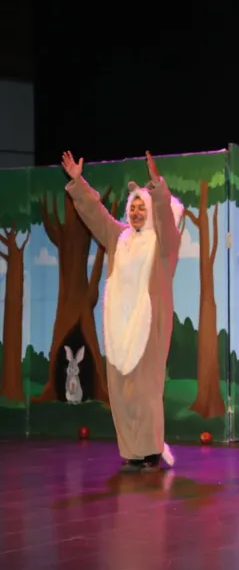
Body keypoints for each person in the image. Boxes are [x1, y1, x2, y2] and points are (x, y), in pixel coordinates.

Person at [63, 149, 183, 473]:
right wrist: (78, 182)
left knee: (145, 391)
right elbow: (95, 214)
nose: (137, 212)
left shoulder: (162, 244)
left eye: (143, 207)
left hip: (149, 326)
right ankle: (133, 451)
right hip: (119, 326)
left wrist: (156, 186)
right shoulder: (119, 237)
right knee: (120, 391)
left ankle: (151, 451)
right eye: (134, 207)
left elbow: (165, 219)